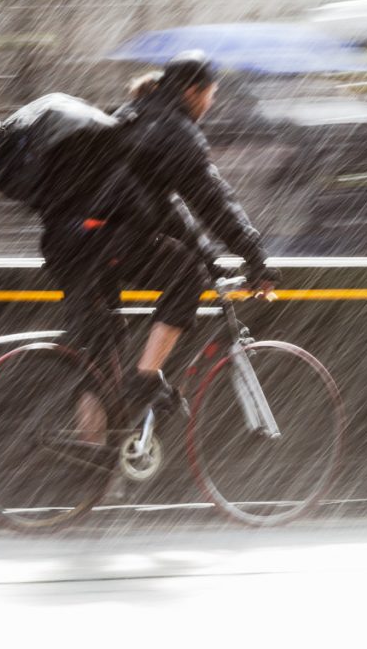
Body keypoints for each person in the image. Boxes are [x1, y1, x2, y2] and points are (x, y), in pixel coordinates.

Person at [40, 50, 280, 441]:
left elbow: (167, 210)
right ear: (193, 90)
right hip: (103, 241)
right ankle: (146, 379)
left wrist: (212, 257)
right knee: (185, 275)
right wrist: (256, 257)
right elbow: (212, 201)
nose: (210, 104)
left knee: (100, 350)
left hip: (66, 242)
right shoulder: (174, 131)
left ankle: (91, 458)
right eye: (211, 95)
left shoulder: (129, 116)